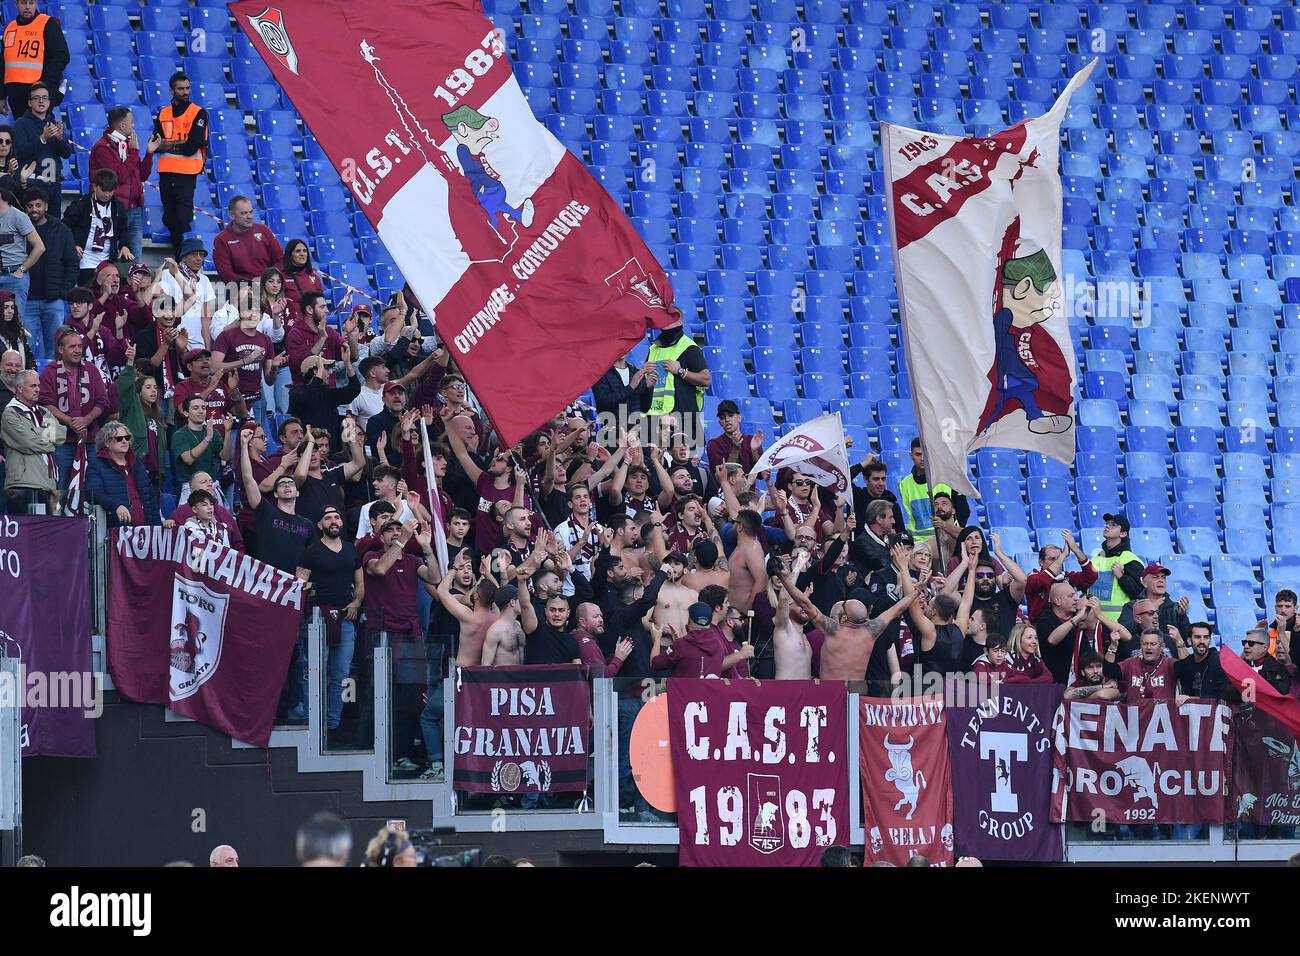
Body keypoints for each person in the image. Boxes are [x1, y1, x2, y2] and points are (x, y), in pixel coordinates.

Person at [362, 517, 440, 773]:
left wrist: (427, 548)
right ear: (380, 535)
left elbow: (435, 577)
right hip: (382, 637)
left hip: (410, 635)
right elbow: (380, 569)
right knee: (379, 696)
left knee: (410, 698)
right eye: (390, 530)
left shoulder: (412, 561)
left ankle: (402, 753)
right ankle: (370, 750)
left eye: (399, 529)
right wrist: (404, 539)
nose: (396, 533)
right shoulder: (371, 556)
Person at [783, 562, 917, 681]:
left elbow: (805, 604)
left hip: (832, 691)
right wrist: (916, 591)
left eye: (843, 606)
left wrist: (783, 578)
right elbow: (897, 609)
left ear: (845, 617)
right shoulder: (872, 630)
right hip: (857, 692)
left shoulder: (832, 629)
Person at [296, 506, 363, 739]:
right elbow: (299, 583)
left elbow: (360, 583)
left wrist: (356, 602)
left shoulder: (351, 550)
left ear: (341, 523)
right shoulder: (311, 551)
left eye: (336, 517)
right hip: (317, 619)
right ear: (320, 525)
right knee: (314, 671)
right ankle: (310, 722)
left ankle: (332, 724)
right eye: (328, 518)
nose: (333, 521)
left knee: (341, 673)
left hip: (346, 617)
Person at [38, 326, 108, 491]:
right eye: (72, 347)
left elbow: (102, 401)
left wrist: (86, 420)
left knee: (93, 486)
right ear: (61, 349)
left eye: (80, 346)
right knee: (58, 486)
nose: (78, 350)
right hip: (60, 440)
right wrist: (71, 422)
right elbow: (46, 404)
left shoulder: (91, 369)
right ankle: (56, 517)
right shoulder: (49, 372)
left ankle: (90, 518)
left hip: (90, 439)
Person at [238, 427, 314, 574]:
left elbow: (309, 560)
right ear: (276, 494)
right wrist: (243, 445)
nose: (286, 485)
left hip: (293, 586)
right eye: (282, 484)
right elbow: (248, 478)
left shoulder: (308, 525)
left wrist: (300, 584)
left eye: (290, 483)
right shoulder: (265, 512)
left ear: (297, 493)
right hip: (268, 585)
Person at [88, 106, 159, 261]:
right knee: (117, 258)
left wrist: (149, 153)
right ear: (122, 125)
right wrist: (134, 152)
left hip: (134, 209)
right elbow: (118, 176)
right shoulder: (102, 148)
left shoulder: (127, 144)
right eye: (131, 122)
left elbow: (142, 175)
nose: (133, 126)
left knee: (134, 261)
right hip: (115, 210)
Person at [152, 71, 208, 258]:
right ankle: (178, 256)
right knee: (170, 216)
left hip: (187, 172)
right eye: (180, 89)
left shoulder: (198, 113)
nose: (185, 92)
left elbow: (191, 147)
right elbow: (156, 145)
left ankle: (180, 257)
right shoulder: (163, 113)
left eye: (187, 88)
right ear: (171, 91)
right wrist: (176, 145)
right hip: (166, 171)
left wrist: (170, 144)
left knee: (182, 218)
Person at [899, 551, 976, 677]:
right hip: (951, 691)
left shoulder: (930, 632)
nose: (927, 607)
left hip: (927, 692)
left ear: (934, 612)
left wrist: (903, 567)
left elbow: (912, 605)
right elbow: (966, 602)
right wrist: (972, 570)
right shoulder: (960, 629)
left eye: (930, 605)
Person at [21, 183, 74, 359]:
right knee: (27, 352)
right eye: (30, 206)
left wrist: (62, 292)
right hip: (27, 300)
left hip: (54, 301)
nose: (34, 209)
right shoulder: (19, 229)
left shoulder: (62, 230)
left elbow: (72, 263)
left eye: (38, 205)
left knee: (56, 353)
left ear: (46, 206)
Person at [0, 365, 57, 512]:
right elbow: (28, 442)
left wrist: (35, 433)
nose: (38, 389)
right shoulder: (10, 414)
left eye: (38, 386)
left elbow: (61, 433)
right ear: (19, 388)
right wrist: (48, 439)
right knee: (26, 533)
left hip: (48, 482)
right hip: (23, 484)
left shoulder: (43, 412)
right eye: (33, 386)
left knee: (49, 532)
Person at [645, 321, 709, 448]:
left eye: (669, 319)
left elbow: (706, 379)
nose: (665, 322)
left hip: (683, 418)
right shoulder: (653, 349)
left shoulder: (690, 347)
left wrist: (680, 371)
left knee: (685, 464)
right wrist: (644, 370)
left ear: (679, 321)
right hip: (656, 418)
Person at [2, 0, 68, 119]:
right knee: (23, 134)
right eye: (23, 3)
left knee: (39, 132)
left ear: (36, 3)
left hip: (40, 93)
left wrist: (43, 83)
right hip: (16, 97)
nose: (27, 7)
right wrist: (1, 96)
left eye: (31, 3)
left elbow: (61, 56)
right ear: (16, 4)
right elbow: (3, 64)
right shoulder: (9, 28)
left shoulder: (48, 24)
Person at [86, 421, 159, 527]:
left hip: (145, 530)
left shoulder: (137, 463)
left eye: (127, 437)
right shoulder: (96, 465)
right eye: (119, 438)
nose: (124, 441)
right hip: (117, 531)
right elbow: (94, 494)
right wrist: (116, 505)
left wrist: (157, 528)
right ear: (107, 443)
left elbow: (150, 498)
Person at [113, 353, 167, 492]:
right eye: (148, 387)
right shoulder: (132, 408)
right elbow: (124, 387)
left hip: (155, 474)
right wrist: (130, 363)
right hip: (137, 469)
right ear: (139, 391)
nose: (153, 391)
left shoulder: (159, 414)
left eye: (155, 388)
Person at [651, 600, 746, 678]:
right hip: (708, 698)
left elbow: (654, 664)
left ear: (689, 619)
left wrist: (657, 639)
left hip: (683, 698)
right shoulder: (719, 644)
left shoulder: (682, 645)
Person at [897, 437, 964, 543]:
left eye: (925, 454)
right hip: (919, 544)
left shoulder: (947, 478)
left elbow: (963, 511)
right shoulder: (904, 484)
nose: (922, 458)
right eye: (918, 454)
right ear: (911, 456)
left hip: (947, 539)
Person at [12, 82, 71, 201]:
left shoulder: (54, 123)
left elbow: (67, 154)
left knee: (54, 220)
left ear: (49, 102)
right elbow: (21, 153)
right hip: (32, 183)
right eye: (36, 98)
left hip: (54, 184)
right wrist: (42, 139)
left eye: (45, 98)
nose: (41, 101)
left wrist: (60, 140)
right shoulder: (21, 123)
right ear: (29, 103)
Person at [1024, 530, 1097, 621]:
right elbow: (1043, 581)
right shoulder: (1032, 577)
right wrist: (1063, 556)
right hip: (1040, 630)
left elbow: (1091, 576)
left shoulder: (1067, 578)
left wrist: (1075, 548)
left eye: (1058, 558)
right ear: (1041, 562)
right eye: (1052, 559)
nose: (1057, 562)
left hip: (1068, 627)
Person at [212, 195, 284, 283]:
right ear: (231, 215)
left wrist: (267, 279)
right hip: (240, 288)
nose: (249, 216)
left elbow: (280, 260)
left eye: (251, 212)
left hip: (269, 284)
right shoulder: (221, 239)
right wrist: (251, 283)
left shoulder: (264, 230)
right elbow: (225, 273)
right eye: (244, 213)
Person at [170, 397, 231, 500]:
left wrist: (228, 432)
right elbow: (188, 459)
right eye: (195, 408)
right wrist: (207, 438)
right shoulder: (179, 435)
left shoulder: (212, 432)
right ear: (186, 413)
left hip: (211, 486)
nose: (201, 411)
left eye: (203, 408)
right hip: (190, 489)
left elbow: (225, 456)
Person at [160, 238, 216, 348]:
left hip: (198, 344)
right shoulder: (168, 274)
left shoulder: (204, 280)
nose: (199, 258)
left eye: (201, 255)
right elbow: (164, 310)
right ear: (184, 257)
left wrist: (208, 348)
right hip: (174, 340)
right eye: (194, 254)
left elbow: (205, 318)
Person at [0, 182, 43, 325]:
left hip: (13, 277)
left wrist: (21, 270)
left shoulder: (18, 216)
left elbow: (39, 247)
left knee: (14, 324)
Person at [1088, 513, 1144, 621]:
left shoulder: (1130, 559)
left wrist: (1121, 577)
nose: (1107, 526)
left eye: (1113, 525)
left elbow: (1139, 593)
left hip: (1119, 622)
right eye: (1107, 523)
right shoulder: (1095, 558)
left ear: (1123, 534)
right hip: (1093, 620)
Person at [1118, 563, 1191, 644]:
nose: (1161, 580)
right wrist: (1148, 610)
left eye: (1163, 577)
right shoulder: (1131, 606)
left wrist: (1182, 616)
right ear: (1144, 583)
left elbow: (1187, 640)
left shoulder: (1175, 607)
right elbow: (1123, 634)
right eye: (1155, 577)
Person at [170, 471, 242, 548]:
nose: (210, 484)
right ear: (191, 489)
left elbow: (238, 543)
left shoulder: (223, 512)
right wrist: (169, 524)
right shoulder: (181, 512)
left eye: (211, 482)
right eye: (204, 482)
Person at [1224, 627, 1293, 702]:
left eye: (1251, 643)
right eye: (1244, 643)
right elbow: (1226, 692)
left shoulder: (1279, 669)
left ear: (1265, 647)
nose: (1246, 646)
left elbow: (1279, 695)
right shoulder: (1237, 667)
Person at [593, 349, 654, 425]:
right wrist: (631, 387)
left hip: (634, 431)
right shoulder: (601, 374)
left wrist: (648, 388)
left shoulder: (635, 372)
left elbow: (644, 408)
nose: (622, 348)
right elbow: (604, 403)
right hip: (613, 431)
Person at [1119, 630, 1178, 703]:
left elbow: (1186, 668)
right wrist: (1113, 646)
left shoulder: (1169, 663)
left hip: (1161, 713)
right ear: (1141, 646)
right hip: (1136, 713)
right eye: (1145, 644)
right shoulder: (1131, 663)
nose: (1148, 647)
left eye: (1153, 644)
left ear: (1162, 646)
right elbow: (1109, 671)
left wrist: (1180, 644)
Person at [849, 455, 906, 532]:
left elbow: (901, 531)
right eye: (876, 479)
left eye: (883, 479)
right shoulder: (857, 496)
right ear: (866, 479)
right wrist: (864, 463)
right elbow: (844, 478)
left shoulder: (892, 503)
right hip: (861, 543)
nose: (881, 483)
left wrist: (896, 537)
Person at [705, 398, 763, 472]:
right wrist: (735, 451)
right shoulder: (714, 444)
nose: (727, 420)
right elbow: (721, 476)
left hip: (749, 483)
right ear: (720, 423)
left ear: (739, 418)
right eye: (722, 417)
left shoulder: (751, 441)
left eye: (730, 415)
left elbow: (761, 475)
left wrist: (754, 452)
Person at [1174, 622, 1226, 701]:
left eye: (1206, 637)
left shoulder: (1218, 662)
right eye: (1197, 637)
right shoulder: (1187, 663)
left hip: (1213, 712)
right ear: (1189, 641)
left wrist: (1190, 699)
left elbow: (1219, 697)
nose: (1202, 641)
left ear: (1210, 640)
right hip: (1190, 712)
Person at [283, 238, 324, 304]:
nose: (302, 254)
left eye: (304, 251)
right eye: (298, 251)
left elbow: (320, 304)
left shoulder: (315, 277)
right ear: (290, 255)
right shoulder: (282, 277)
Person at [1267, 589, 1300, 659]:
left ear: (1296, 608)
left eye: (1288, 606)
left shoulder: (1298, 629)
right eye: (1279, 606)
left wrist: (1281, 633)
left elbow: (1296, 660)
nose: (1283, 610)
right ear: (1275, 608)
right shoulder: (1269, 631)